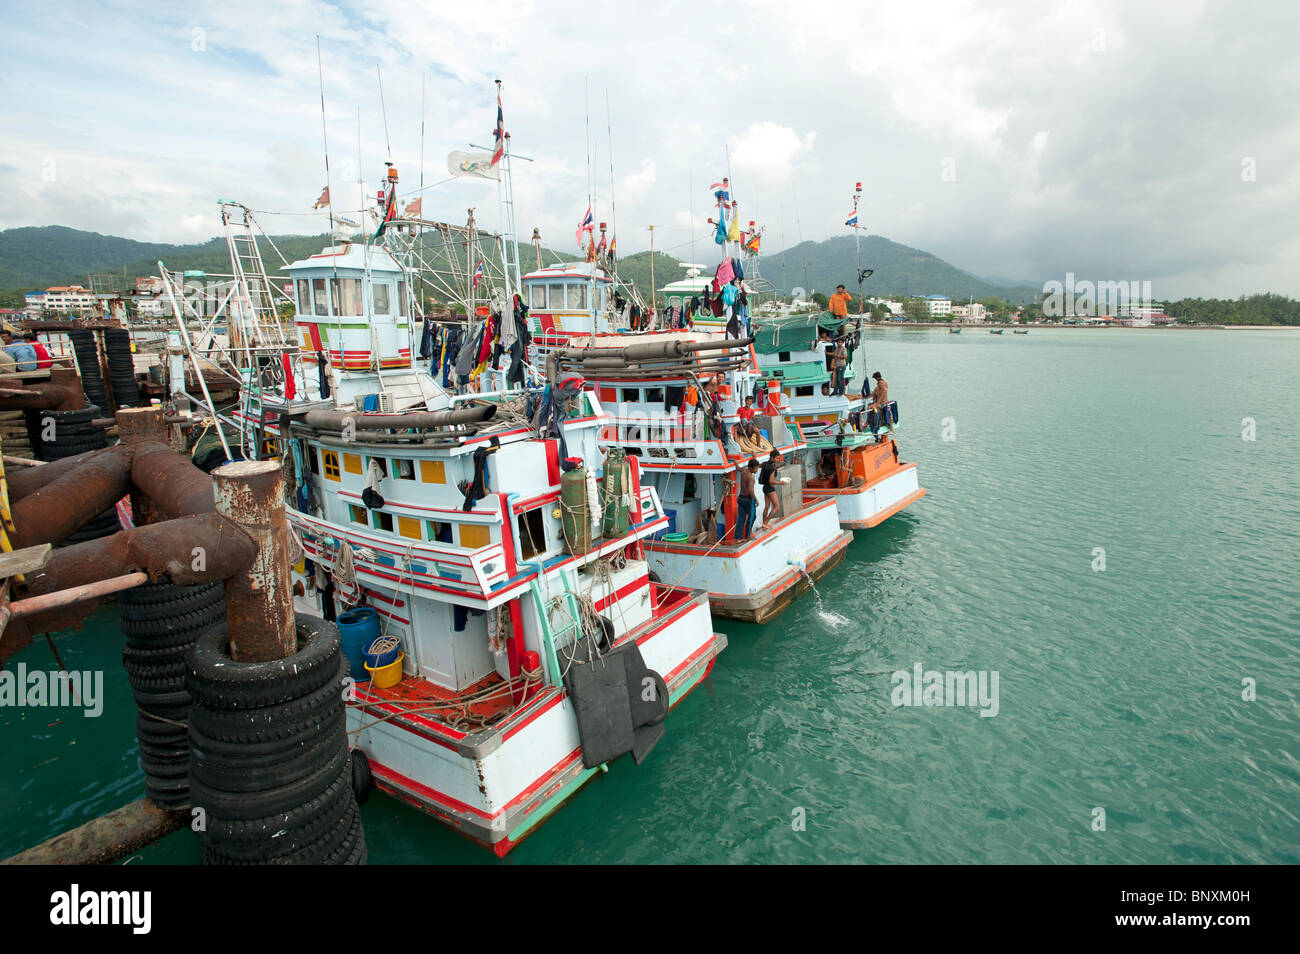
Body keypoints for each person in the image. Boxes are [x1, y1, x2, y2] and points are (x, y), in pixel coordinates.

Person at [759, 450, 789, 525]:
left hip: (765, 488)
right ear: (772, 458)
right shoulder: (772, 468)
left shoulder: (764, 464)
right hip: (770, 489)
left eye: (778, 458)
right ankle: (766, 522)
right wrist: (781, 483)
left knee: (767, 506)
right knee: (777, 507)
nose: (778, 460)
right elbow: (771, 481)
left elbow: (759, 465)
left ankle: (764, 523)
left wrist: (754, 457)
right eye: (777, 458)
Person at [737, 459, 760, 540]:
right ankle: (747, 536)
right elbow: (750, 490)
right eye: (756, 468)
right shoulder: (751, 477)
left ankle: (738, 538)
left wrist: (736, 462)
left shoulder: (743, 470)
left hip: (740, 498)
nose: (757, 470)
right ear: (751, 468)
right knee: (752, 517)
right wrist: (756, 499)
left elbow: (737, 468)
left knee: (741, 519)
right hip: (748, 499)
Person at [867, 371, 891, 442]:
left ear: (877, 378)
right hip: (883, 401)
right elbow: (874, 392)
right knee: (870, 405)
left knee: (869, 408)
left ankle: (867, 421)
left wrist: (877, 403)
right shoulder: (883, 382)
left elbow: (881, 394)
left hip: (881, 402)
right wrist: (867, 396)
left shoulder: (881, 384)